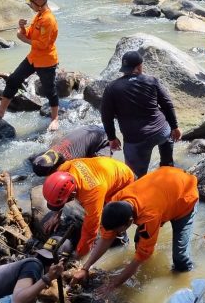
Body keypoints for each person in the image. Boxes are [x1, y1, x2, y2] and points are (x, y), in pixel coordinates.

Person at [72, 166, 199, 295]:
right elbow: (106, 238)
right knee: (140, 241)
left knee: (180, 257)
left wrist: (112, 285)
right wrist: (85, 268)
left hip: (185, 198)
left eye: (118, 231)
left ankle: (187, 283)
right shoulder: (116, 201)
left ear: (130, 221)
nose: (116, 234)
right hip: (165, 188)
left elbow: (139, 258)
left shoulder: (149, 217)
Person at [0, 0, 60, 132]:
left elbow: (43, 45)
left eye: (31, 1)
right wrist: (22, 28)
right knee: (13, 79)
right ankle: (0, 110)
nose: (30, 4)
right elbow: (30, 34)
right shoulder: (39, 16)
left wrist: (23, 39)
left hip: (46, 61)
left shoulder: (48, 19)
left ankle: (55, 118)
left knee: (49, 90)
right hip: (33, 58)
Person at [100, 50, 181, 178]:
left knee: (135, 177)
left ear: (124, 68)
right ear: (139, 66)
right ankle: (167, 168)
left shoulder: (112, 88)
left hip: (136, 140)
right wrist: (175, 127)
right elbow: (167, 104)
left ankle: (140, 185)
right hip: (161, 132)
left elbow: (106, 116)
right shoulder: (152, 81)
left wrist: (112, 138)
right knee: (167, 144)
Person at [41, 156, 135, 257]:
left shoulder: (92, 194)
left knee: (112, 220)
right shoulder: (62, 171)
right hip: (105, 171)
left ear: (73, 194)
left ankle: (122, 241)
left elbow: (90, 231)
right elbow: (58, 192)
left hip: (122, 181)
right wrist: (56, 215)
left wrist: (79, 254)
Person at [29, 125, 110, 176]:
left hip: (105, 139)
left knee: (99, 169)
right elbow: (30, 158)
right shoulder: (48, 153)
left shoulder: (68, 165)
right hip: (90, 128)